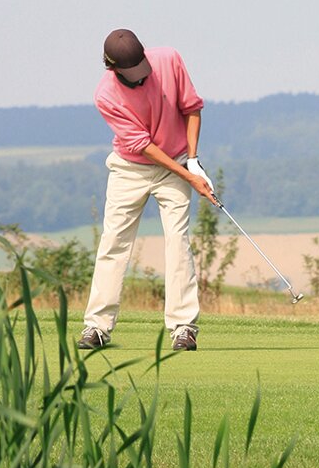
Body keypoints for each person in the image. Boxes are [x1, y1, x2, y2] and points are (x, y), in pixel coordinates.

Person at [77, 29, 218, 352]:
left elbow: (192, 108)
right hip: (131, 169)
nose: (142, 79)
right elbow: (144, 146)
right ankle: (97, 327)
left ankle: (184, 327)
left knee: (177, 241)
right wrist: (188, 175)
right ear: (113, 68)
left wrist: (193, 162)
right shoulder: (106, 96)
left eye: (143, 69)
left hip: (178, 163)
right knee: (114, 243)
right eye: (133, 75)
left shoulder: (168, 59)